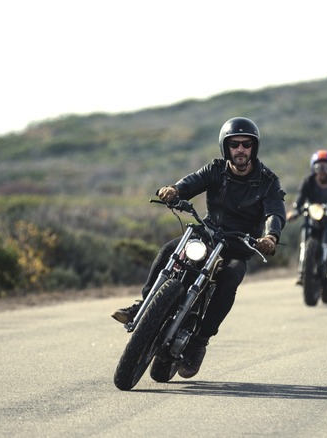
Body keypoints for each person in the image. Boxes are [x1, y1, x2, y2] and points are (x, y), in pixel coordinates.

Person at [111, 116, 287, 378]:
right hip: (208, 235)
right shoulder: (216, 169)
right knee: (169, 251)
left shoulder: (267, 181)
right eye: (235, 144)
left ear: (254, 147)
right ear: (225, 147)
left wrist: (270, 236)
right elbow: (190, 183)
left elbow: (275, 212)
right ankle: (145, 304)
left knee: (230, 277)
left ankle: (199, 341)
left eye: (246, 144)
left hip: (238, 246)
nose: (240, 149)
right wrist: (174, 190)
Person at [287, 150, 327, 283]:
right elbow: (299, 199)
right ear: (313, 168)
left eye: (326, 167)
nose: (322, 171)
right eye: (318, 167)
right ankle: (302, 270)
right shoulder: (308, 181)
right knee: (306, 230)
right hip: (315, 218)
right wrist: (294, 211)